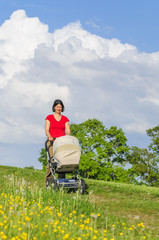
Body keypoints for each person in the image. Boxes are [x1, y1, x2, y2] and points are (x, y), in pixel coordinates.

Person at [45, 99, 71, 180]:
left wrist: (68, 136)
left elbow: (68, 130)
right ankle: (48, 179)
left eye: (60, 107)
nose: (58, 108)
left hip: (62, 142)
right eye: (57, 107)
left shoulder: (65, 119)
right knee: (51, 160)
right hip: (52, 141)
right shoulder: (49, 117)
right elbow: (46, 130)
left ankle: (61, 180)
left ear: (62, 108)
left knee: (62, 160)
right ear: (54, 108)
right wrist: (49, 136)